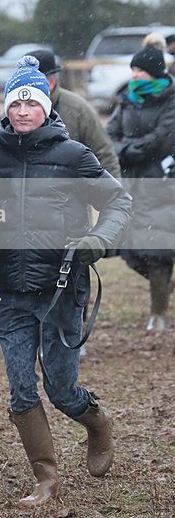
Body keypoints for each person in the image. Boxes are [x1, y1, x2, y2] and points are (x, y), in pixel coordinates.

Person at [0, 56, 132, 507]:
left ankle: (96, 422)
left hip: (63, 291)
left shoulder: (74, 156)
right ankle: (47, 481)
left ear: (45, 106)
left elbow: (120, 202)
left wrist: (99, 238)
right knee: (21, 390)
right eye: (15, 103)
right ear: (6, 109)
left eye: (30, 103)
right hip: (11, 293)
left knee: (60, 389)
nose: (22, 111)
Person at [106, 46, 175, 331]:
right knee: (129, 249)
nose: (135, 75)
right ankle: (165, 287)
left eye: (141, 70)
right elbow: (109, 135)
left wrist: (128, 149)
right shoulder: (126, 100)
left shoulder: (171, 100)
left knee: (158, 249)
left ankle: (157, 313)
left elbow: (160, 139)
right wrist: (125, 149)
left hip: (161, 181)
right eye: (133, 70)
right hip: (130, 180)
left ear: (155, 72)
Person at [0, 49, 121, 178]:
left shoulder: (78, 109)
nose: (22, 112)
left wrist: (110, 192)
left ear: (50, 83)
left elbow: (104, 154)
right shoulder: (11, 114)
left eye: (32, 80)